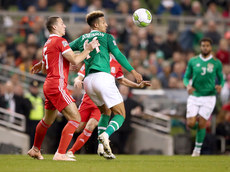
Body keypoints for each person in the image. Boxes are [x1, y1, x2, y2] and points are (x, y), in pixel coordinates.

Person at [69, 10, 143, 157]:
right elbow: (118, 54)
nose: (106, 24)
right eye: (103, 22)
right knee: (121, 114)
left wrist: (44, 62)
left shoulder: (82, 38)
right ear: (96, 24)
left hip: (89, 82)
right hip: (102, 77)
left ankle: (101, 148)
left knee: (105, 112)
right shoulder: (107, 37)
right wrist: (133, 71)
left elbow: (64, 49)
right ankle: (106, 135)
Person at [27, 16, 99, 161]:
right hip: (57, 85)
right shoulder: (60, 41)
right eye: (61, 23)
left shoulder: (48, 43)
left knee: (47, 121)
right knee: (75, 118)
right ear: (54, 27)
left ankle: (35, 149)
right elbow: (75, 59)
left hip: (49, 85)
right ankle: (60, 153)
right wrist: (88, 49)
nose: (65, 26)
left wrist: (40, 64)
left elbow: (54, 60)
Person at [66, 56, 150, 159]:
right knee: (77, 127)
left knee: (91, 125)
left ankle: (76, 151)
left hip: (101, 100)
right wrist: (78, 80)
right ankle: (61, 151)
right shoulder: (94, 59)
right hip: (89, 99)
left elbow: (121, 80)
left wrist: (136, 85)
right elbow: (81, 73)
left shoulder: (115, 63)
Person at [183, 37, 225, 157]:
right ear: (200, 47)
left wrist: (220, 86)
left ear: (211, 47)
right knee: (191, 123)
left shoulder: (216, 63)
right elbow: (186, 77)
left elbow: (222, 79)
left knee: (202, 122)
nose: (205, 48)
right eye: (203, 46)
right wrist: (187, 86)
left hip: (209, 97)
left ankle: (197, 150)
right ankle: (199, 131)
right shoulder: (193, 61)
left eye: (207, 46)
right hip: (194, 96)